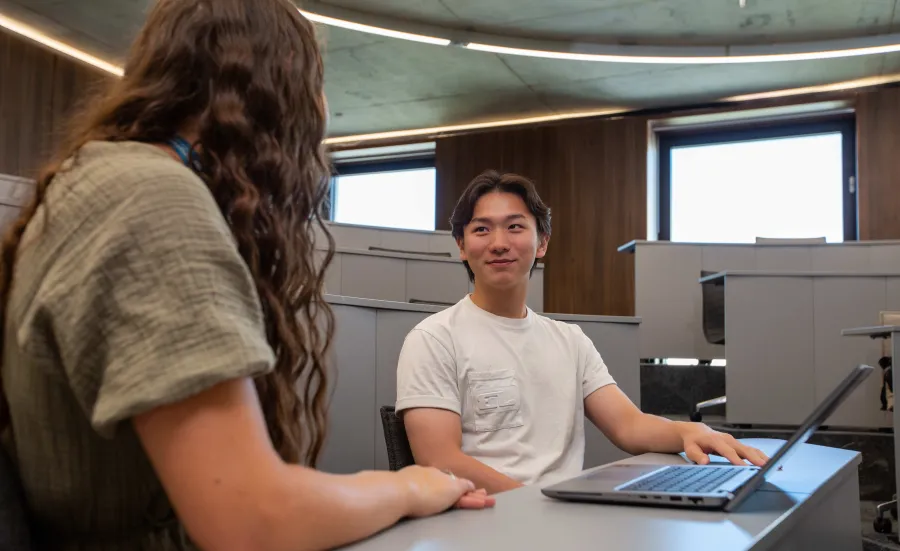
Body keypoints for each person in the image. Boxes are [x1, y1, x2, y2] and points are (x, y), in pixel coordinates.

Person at [0, 1, 493, 550]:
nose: (322, 110)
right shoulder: (149, 197)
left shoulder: (101, 180)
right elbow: (252, 519)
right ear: (271, 91)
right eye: (314, 87)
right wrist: (407, 490)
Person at [395, 170, 769, 495]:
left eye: (515, 226)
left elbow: (629, 425)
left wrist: (690, 434)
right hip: (485, 524)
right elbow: (440, 461)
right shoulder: (434, 339)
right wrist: (538, 504)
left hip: (562, 521)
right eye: (481, 229)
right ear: (461, 246)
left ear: (541, 243)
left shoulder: (570, 340)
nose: (498, 243)